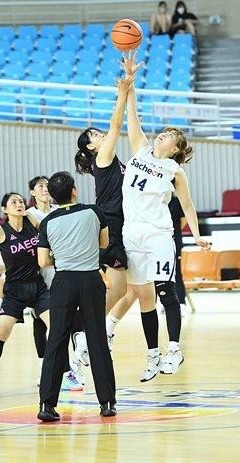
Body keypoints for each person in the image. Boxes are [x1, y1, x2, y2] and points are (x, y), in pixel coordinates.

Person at [114, 54, 210, 382]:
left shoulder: (174, 170)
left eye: (170, 136)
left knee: (165, 291)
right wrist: (130, 82)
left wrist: (196, 235)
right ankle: (153, 354)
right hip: (131, 233)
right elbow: (132, 115)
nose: (163, 135)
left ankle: (174, 349)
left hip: (157, 235)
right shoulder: (140, 150)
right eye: (164, 132)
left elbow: (188, 206)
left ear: (174, 149)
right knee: (144, 298)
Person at [36, 171, 116, 422]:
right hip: (90, 279)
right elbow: (104, 244)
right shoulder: (94, 212)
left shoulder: (47, 222)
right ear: (74, 191)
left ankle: (47, 405)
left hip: (63, 282)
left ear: (53, 197)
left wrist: (63, 256)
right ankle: (107, 403)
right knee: (97, 338)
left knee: (56, 340)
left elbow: (42, 261)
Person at [75, 76, 134, 350]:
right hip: (110, 226)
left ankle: (95, 329)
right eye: (95, 135)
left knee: (127, 289)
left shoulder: (111, 161)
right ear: (91, 147)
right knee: (120, 289)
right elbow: (116, 125)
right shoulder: (103, 158)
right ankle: (87, 331)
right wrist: (122, 93)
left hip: (121, 225)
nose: (101, 135)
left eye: (99, 132)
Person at [0, 192, 51, 396]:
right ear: (4, 209)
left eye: (21, 201)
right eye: (14, 202)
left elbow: (47, 232)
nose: (19, 204)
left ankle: (65, 372)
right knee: (2, 332)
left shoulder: (31, 221)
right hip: (14, 290)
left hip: (37, 285)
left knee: (56, 327)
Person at [26, 175, 83, 391]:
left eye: (47, 186)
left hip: (63, 272)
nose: (44, 189)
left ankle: (69, 367)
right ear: (32, 192)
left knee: (66, 323)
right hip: (39, 274)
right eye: (40, 186)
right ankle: (49, 367)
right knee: (42, 323)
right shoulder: (29, 214)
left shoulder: (59, 210)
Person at [168, 194, 188, 313]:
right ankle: (166, 302)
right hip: (160, 241)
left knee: (177, 272)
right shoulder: (157, 200)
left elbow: (184, 220)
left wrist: (173, 231)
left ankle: (181, 301)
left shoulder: (176, 201)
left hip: (175, 241)